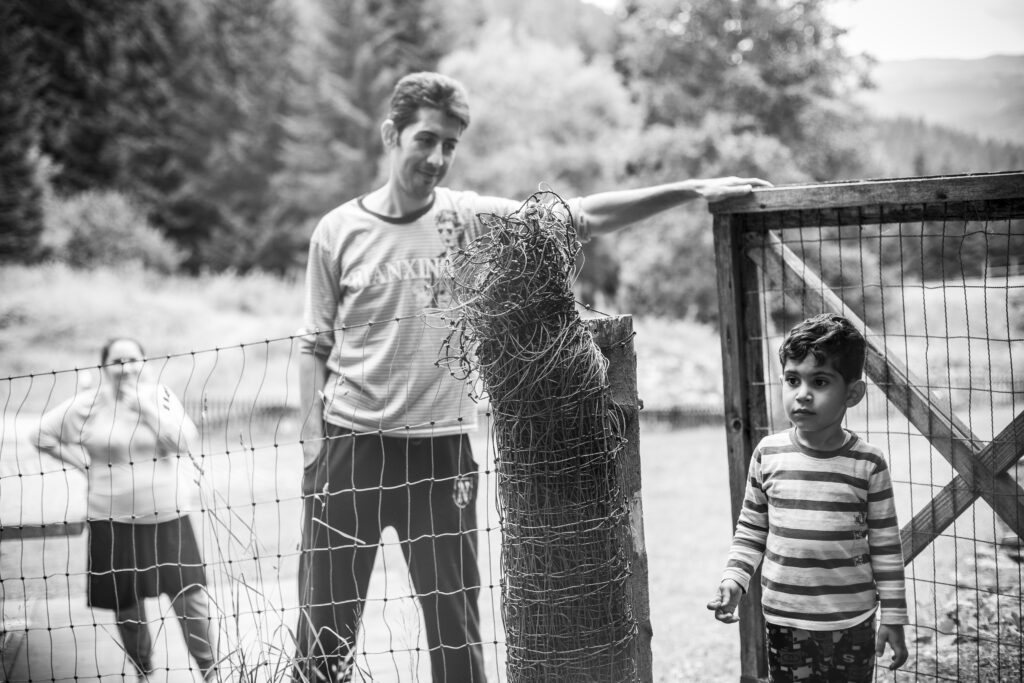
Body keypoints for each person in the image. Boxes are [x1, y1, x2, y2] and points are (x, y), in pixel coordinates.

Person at [296, 70, 771, 682]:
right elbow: (312, 345)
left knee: (455, 633)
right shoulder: (337, 231)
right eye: (426, 140)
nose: (438, 158)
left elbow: (581, 216)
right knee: (324, 632)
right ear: (392, 135)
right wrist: (314, 446)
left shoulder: (466, 219)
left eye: (450, 145)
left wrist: (691, 188)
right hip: (349, 450)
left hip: (440, 456)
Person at [706, 313, 909, 681]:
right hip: (785, 622)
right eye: (792, 380)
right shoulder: (768, 454)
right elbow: (751, 529)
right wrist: (734, 578)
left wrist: (893, 616)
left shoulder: (868, 464)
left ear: (852, 393)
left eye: (819, 381)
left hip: (853, 622)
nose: (802, 393)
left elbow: (885, 546)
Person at [34, 337, 218, 681]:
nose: (126, 367)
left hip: (169, 518)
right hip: (112, 522)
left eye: (133, 359)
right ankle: (144, 672)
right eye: (117, 361)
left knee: (191, 600)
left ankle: (211, 672)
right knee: (127, 607)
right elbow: (42, 435)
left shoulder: (159, 396)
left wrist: (143, 407)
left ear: (144, 363)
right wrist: (84, 466)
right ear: (103, 367)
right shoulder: (87, 405)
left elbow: (184, 440)